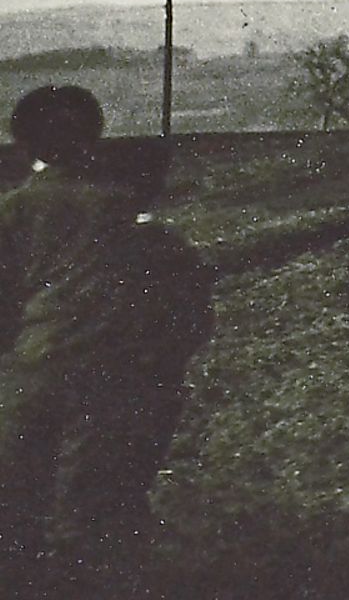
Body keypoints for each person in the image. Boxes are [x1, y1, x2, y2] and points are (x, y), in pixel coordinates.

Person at [48, 137, 215, 600]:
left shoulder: (89, 248)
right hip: (151, 391)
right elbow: (197, 322)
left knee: (84, 494)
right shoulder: (168, 246)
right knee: (124, 488)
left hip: (103, 390)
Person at [0, 85, 136, 595]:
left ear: (26, 144)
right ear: (92, 141)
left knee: (17, 498)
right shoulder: (119, 209)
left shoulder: (14, 209)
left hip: (33, 367)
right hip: (112, 372)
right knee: (93, 506)